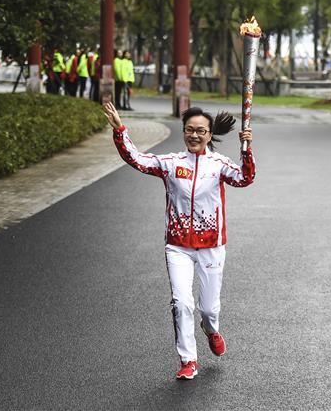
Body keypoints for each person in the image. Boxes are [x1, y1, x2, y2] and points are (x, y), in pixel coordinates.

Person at [103, 101, 255, 380]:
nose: (194, 135)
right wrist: (120, 130)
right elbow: (136, 159)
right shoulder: (171, 164)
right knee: (182, 302)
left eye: (200, 131)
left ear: (210, 135)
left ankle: (210, 329)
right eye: (189, 130)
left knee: (209, 309)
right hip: (178, 246)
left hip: (211, 245)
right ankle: (188, 360)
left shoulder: (218, 165)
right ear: (184, 132)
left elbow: (245, 178)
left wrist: (246, 149)